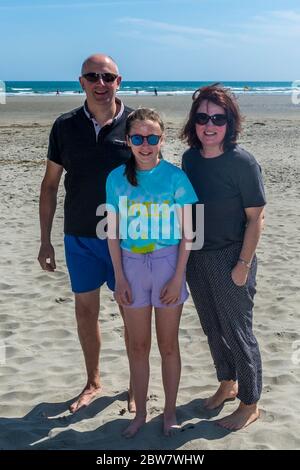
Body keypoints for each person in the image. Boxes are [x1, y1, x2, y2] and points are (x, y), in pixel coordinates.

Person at [38, 53, 136, 413]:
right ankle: (93, 381)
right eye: (92, 76)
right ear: (81, 82)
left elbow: (154, 181)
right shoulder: (64, 126)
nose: (100, 83)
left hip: (128, 238)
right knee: (85, 312)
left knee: (132, 312)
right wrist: (45, 240)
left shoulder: (135, 124)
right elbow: (50, 186)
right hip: (78, 236)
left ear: (118, 81)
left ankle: (135, 385)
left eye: (107, 77)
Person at [106, 108, 198, 437]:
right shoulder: (115, 178)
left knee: (169, 346)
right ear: (128, 140)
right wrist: (119, 276)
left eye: (152, 138)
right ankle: (141, 412)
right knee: (138, 346)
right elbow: (113, 233)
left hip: (167, 265)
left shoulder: (176, 178)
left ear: (162, 139)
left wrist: (178, 277)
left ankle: (169, 411)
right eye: (138, 138)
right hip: (131, 266)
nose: (145, 145)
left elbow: (190, 233)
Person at [180, 84, 266, 431]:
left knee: (238, 330)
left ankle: (250, 402)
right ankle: (227, 384)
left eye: (218, 117)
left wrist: (243, 265)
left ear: (230, 122)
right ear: (194, 123)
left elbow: (256, 217)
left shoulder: (242, 162)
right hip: (197, 257)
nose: (209, 124)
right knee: (212, 327)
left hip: (232, 257)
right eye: (202, 118)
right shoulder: (189, 158)